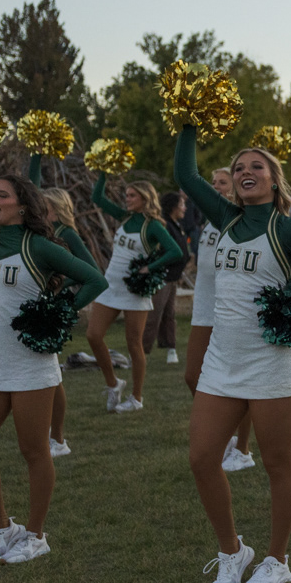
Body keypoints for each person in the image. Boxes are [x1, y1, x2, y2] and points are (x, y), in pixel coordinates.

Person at [175, 127, 291, 583]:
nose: (245, 172)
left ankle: (278, 559)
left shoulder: (287, 229)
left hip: (272, 361)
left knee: (277, 463)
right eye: (239, 168)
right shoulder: (226, 218)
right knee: (201, 458)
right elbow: (186, 174)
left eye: (256, 166)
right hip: (222, 360)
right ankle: (232, 551)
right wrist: (189, 121)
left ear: (275, 181)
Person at [0, 148, 108, 565]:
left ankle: (35, 535)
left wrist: (59, 313)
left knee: (33, 451)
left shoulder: (40, 247)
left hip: (31, 364)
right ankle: (2, 528)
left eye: (3, 195)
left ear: (22, 206)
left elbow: (94, 279)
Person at [87, 173, 183, 413]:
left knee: (134, 345)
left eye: (132, 196)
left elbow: (175, 251)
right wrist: (104, 172)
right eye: (127, 195)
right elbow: (97, 198)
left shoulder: (153, 225)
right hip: (111, 284)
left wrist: (150, 267)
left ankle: (136, 398)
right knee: (93, 335)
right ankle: (114, 383)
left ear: (145, 198)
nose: (127, 199)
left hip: (134, 289)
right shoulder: (126, 217)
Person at [185, 167, 254, 473]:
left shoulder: (240, 219)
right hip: (204, 307)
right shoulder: (208, 220)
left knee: (240, 382)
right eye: (212, 183)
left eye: (222, 183)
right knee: (192, 375)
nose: (215, 187)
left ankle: (242, 449)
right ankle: (228, 433)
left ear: (235, 188)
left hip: (231, 308)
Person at [35, 188, 98, 456]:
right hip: (39, 300)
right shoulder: (43, 232)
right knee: (46, 371)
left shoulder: (67, 233)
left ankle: (58, 437)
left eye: (45, 207)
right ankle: (51, 435)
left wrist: (62, 281)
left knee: (51, 372)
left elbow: (91, 269)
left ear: (57, 209)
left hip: (53, 302)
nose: (40, 211)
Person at [142, 191, 191, 363]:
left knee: (170, 315)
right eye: (182, 205)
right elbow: (165, 251)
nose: (184, 208)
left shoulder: (176, 224)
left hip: (173, 278)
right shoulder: (164, 225)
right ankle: (141, 351)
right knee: (153, 315)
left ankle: (170, 347)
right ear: (173, 207)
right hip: (162, 277)